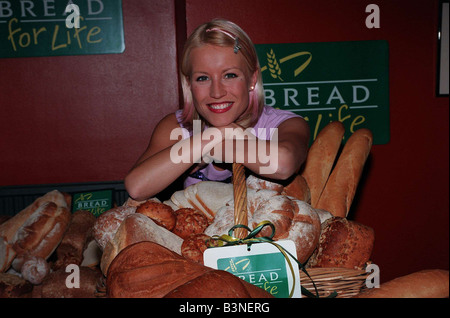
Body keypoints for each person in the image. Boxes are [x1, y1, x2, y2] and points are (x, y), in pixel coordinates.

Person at [125, 19, 310, 201]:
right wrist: (213, 136)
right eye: (202, 78)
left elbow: (282, 164)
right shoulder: (177, 127)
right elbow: (137, 187)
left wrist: (211, 148)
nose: (216, 92)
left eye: (230, 75)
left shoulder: (285, 124)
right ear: (189, 84)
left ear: (252, 79)